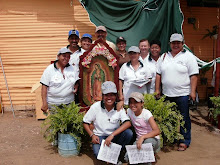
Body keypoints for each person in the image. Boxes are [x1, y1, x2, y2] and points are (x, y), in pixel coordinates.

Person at [155, 33, 199, 151]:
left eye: (178, 43)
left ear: (182, 44)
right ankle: (172, 138)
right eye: (173, 43)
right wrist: (157, 89)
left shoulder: (188, 57)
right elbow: (158, 74)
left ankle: (184, 140)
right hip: (167, 93)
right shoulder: (164, 56)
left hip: (183, 94)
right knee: (169, 118)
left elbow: (194, 75)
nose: (175, 45)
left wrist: (193, 92)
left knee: (184, 118)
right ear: (170, 44)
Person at [83, 81, 133, 161]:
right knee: (98, 154)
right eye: (106, 95)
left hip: (114, 137)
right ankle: (112, 158)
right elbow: (85, 122)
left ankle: (117, 153)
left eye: (112, 95)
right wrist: (92, 135)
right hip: (100, 137)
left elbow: (127, 123)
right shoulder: (96, 107)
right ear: (102, 96)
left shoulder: (118, 107)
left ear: (116, 96)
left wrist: (112, 135)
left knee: (128, 133)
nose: (109, 98)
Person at [125, 92, 160, 164]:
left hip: (152, 139)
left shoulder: (146, 114)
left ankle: (151, 156)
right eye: (131, 102)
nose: (132, 105)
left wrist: (142, 137)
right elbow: (120, 111)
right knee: (128, 157)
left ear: (142, 103)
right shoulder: (129, 111)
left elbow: (156, 131)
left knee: (145, 151)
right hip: (139, 140)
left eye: (136, 102)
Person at [40, 47, 79, 112]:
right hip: (54, 104)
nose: (66, 59)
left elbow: (76, 80)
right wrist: (44, 103)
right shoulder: (50, 69)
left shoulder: (72, 68)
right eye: (64, 56)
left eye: (68, 57)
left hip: (69, 102)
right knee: (56, 121)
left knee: (69, 122)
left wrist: (76, 85)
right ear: (58, 57)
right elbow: (44, 87)